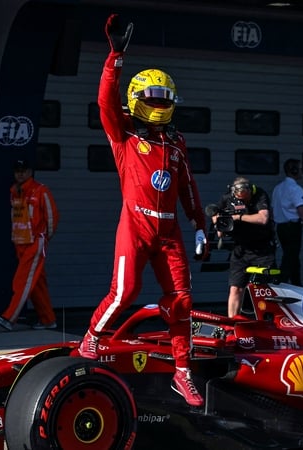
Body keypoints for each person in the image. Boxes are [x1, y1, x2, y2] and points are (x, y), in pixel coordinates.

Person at [77, 14, 209, 407]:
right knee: (124, 293)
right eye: (153, 97)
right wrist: (115, 57)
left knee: (183, 301)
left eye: (165, 98)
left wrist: (199, 226)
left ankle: (183, 374)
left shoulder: (177, 143)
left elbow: (188, 187)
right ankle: (91, 341)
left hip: (169, 232)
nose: (159, 104)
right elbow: (104, 100)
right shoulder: (124, 136)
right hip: (134, 225)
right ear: (136, 99)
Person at [0, 159, 60, 331]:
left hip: (34, 242)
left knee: (22, 281)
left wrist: (44, 238)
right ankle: (48, 320)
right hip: (20, 242)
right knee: (37, 284)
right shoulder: (14, 192)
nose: (20, 173)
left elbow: (52, 217)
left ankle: (9, 317)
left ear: (31, 171)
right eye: (17, 170)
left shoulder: (41, 190)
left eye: (24, 170)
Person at [212, 176, 276, 318]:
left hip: (262, 249)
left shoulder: (259, 195)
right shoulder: (227, 198)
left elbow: (263, 218)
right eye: (239, 198)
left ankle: (268, 322)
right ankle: (232, 323)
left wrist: (238, 217)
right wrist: (219, 224)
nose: (242, 201)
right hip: (241, 249)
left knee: (264, 289)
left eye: (245, 198)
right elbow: (215, 214)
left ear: (249, 190)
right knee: (235, 288)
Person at [271, 158, 303, 286]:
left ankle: (297, 285)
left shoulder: (277, 188)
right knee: (289, 258)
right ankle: (280, 285)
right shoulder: (296, 189)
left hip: (281, 228)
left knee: (293, 258)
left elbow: (272, 211)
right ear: (293, 170)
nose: (301, 171)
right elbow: (302, 213)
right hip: (292, 228)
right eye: (299, 169)